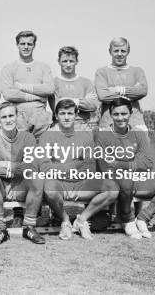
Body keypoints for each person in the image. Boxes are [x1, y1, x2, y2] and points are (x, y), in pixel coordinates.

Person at [95, 98, 155, 239]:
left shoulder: (139, 134)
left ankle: (143, 218)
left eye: (124, 114)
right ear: (110, 115)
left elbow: (147, 163)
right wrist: (133, 164)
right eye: (116, 114)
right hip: (115, 183)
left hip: (137, 180)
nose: (120, 118)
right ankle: (127, 219)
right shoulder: (102, 135)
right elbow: (105, 167)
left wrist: (118, 163)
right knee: (125, 181)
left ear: (130, 113)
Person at [38, 99, 119, 240]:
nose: (66, 117)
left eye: (70, 113)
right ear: (56, 116)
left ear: (76, 115)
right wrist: (73, 165)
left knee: (112, 188)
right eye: (62, 113)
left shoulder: (86, 136)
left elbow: (90, 166)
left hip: (81, 182)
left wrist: (67, 169)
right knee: (49, 189)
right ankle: (65, 220)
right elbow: (45, 167)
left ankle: (81, 220)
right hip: (59, 183)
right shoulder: (47, 136)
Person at [0, 102, 45, 245]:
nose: (8, 120)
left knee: (37, 178)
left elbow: (32, 166)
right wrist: (18, 166)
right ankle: (0, 228)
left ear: (17, 116)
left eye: (11, 115)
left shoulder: (28, 137)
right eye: (4, 117)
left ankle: (29, 227)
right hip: (1, 186)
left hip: (20, 185)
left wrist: (7, 165)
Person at [1, 31, 54, 138]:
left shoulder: (43, 67)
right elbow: (8, 94)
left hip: (40, 116)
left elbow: (49, 89)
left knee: (42, 152)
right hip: (18, 116)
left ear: (34, 45)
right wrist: (37, 95)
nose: (26, 47)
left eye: (29, 44)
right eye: (22, 44)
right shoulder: (9, 68)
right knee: (20, 152)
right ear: (17, 45)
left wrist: (21, 87)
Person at [95, 37, 148, 130]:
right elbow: (103, 96)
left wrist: (117, 90)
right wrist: (132, 92)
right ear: (110, 51)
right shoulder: (102, 72)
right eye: (116, 51)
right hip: (108, 123)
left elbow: (142, 91)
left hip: (135, 122)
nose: (119, 54)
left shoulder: (137, 71)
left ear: (128, 51)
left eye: (123, 51)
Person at [51, 46, 99, 131]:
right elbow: (57, 106)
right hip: (62, 126)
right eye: (65, 61)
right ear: (59, 62)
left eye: (71, 61)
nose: (68, 64)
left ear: (76, 62)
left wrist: (65, 99)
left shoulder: (86, 82)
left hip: (84, 125)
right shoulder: (53, 83)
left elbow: (93, 105)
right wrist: (82, 101)